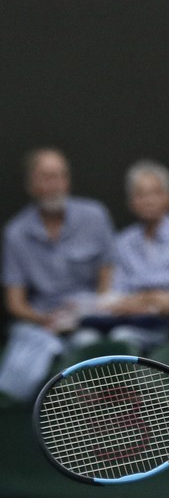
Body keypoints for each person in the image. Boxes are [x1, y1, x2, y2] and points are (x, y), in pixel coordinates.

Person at [0, 148, 114, 402]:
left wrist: (95, 308)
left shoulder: (95, 216)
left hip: (90, 319)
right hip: (42, 324)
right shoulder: (16, 233)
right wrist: (45, 319)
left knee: (91, 341)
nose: (55, 185)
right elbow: (15, 303)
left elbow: (109, 274)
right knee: (28, 352)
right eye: (46, 177)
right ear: (30, 185)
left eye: (61, 176)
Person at [85, 160, 169, 353]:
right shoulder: (122, 241)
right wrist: (155, 299)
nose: (148, 200)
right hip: (131, 321)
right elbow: (116, 297)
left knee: (124, 338)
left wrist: (142, 300)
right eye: (141, 194)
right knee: (102, 338)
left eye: (156, 193)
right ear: (131, 202)